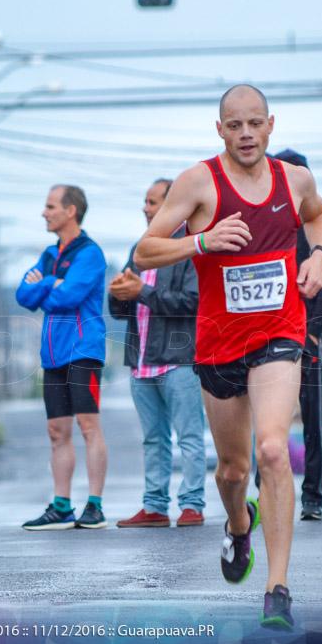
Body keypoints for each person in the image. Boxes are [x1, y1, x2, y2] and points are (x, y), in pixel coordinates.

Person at [133, 85, 322, 630]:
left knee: (272, 450)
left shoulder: (295, 180)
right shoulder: (198, 182)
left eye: (255, 124)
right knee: (232, 469)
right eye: (234, 125)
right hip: (219, 343)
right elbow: (144, 250)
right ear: (219, 129)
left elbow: (319, 217)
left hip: (279, 333)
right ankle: (238, 526)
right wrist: (202, 241)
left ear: (272, 125)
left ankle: (278, 589)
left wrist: (318, 255)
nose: (246, 134)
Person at [110, 178, 207, 529]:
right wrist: (118, 293)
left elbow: (194, 302)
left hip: (179, 360)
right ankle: (154, 506)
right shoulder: (140, 249)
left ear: (171, 207)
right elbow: (122, 309)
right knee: (153, 439)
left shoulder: (187, 247)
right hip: (141, 361)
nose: (145, 208)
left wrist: (142, 291)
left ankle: (192, 504)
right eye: (146, 201)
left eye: (152, 202)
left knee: (190, 436)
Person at [17, 184, 109, 531]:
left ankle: (95, 506)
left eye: (51, 206)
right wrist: (51, 282)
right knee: (57, 431)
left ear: (71, 211)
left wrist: (50, 286)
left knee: (88, 427)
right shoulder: (49, 254)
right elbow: (23, 295)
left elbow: (67, 298)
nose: (44, 212)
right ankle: (61, 507)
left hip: (83, 351)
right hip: (52, 355)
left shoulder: (90, 253)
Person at [268, 149, 322, 521]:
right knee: (267, 420)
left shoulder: (321, 225)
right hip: (267, 337)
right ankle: (266, 493)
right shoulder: (267, 223)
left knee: (312, 417)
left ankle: (313, 496)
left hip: (307, 336)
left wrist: (312, 332)